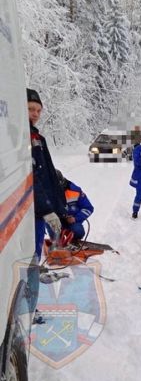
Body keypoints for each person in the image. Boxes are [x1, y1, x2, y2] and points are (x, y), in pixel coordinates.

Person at [27, 88, 67, 258]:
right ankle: (30, 279)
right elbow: (31, 176)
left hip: (39, 207)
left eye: (38, 110)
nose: (36, 114)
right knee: (31, 253)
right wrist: (46, 209)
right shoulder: (22, 137)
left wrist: (57, 205)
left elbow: (48, 174)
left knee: (36, 248)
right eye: (30, 109)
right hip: (31, 208)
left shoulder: (37, 138)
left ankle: (33, 276)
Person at [55, 170, 94, 240]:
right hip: (55, 221)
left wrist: (75, 218)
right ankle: (56, 242)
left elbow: (88, 208)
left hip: (72, 221)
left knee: (79, 231)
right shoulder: (46, 192)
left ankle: (73, 241)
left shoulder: (75, 190)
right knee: (52, 227)